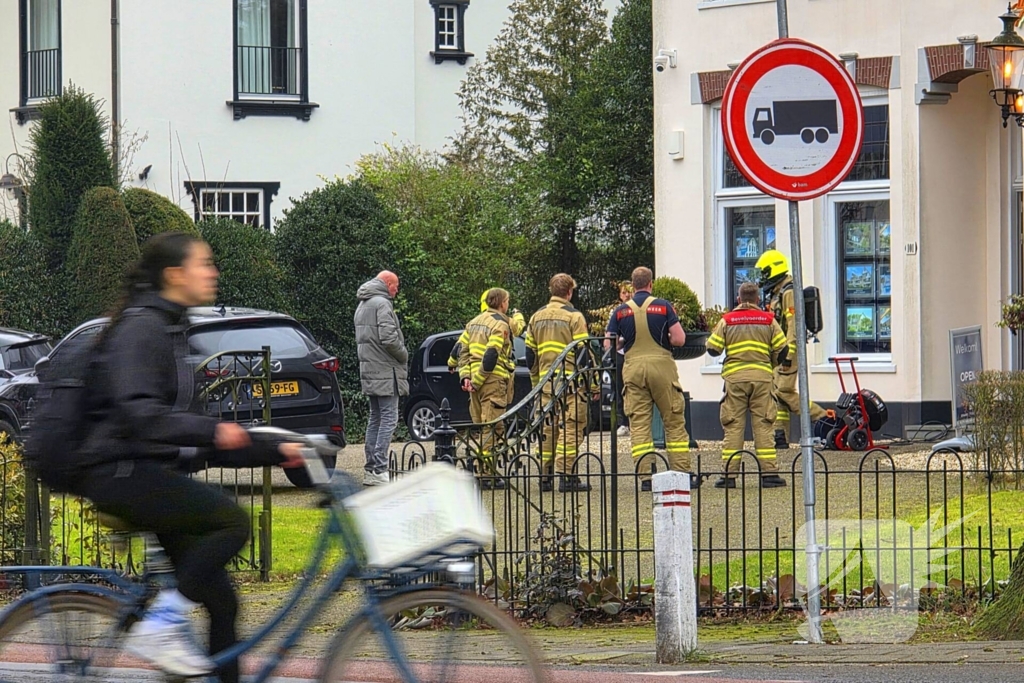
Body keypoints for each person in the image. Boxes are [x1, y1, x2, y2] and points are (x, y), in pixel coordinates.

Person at [66, 232, 304, 682]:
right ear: (175, 275)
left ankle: (178, 642)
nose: (213, 272)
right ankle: (161, 625)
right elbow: (141, 414)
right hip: (117, 471)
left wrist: (275, 449)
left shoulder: (170, 327)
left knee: (221, 601)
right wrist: (214, 430)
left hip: (142, 468)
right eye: (204, 264)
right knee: (231, 522)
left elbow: (196, 436)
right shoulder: (142, 327)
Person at [607, 267, 695, 492]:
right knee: (674, 421)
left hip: (633, 368)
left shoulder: (620, 311)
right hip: (662, 368)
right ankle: (681, 474)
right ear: (650, 284)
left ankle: (646, 477)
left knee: (639, 425)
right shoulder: (663, 306)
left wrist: (623, 342)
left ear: (632, 286)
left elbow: (609, 344)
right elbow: (679, 339)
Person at [706, 282, 789, 489]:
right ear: (758, 300)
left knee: (733, 426)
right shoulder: (768, 320)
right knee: (764, 425)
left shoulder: (727, 320)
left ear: (738, 299)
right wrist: (770, 364)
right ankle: (769, 475)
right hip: (762, 378)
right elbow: (783, 349)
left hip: (734, 380)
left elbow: (713, 349)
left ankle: (728, 476)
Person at [754, 250, 831, 448]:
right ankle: (780, 436)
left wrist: (788, 353)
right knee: (776, 392)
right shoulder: (778, 291)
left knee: (783, 391)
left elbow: (793, 325)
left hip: (788, 351)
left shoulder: (789, 292)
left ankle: (823, 417)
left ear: (774, 270)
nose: (762, 278)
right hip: (779, 351)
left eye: (764, 273)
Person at [525, 274, 592, 492]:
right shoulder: (575, 317)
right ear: (569, 292)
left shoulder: (536, 317)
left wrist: (537, 381)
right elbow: (583, 353)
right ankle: (567, 476)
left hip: (546, 382)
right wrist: (592, 385)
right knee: (570, 426)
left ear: (551, 290)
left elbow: (530, 355)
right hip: (571, 382)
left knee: (547, 427)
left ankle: (545, 478)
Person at [457, 288, 516, 488]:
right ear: (502, 303)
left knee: (487, 429)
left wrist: (466, 377)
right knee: (491, 429)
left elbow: (461, 352)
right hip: (491, 381)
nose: (507, 305)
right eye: (507, 301)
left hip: (474, 381)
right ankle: (485, 475)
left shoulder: (473, 323)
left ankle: (489, 471)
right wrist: (479, 380)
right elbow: (491, 355)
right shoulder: (500, 324)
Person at [355, 270, 409, 486]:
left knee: (375, 417)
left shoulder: (363, 304)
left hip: (370, 370)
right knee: (388, 418)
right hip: (386, 371)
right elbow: (388, 338)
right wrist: (403, 354)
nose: (397, 289)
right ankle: (379, 468)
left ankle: (371, 469)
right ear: (387, 283)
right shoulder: (382, 303)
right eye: (395, 285)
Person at [604, 282, 634, 437]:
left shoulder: (637, 310)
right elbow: (609, 336)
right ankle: (623, 423)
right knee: (620, 388)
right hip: (620, 354)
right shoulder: (615, 312)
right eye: (624, 292)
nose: (627, 295)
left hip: (634, 353)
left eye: (630, 292)